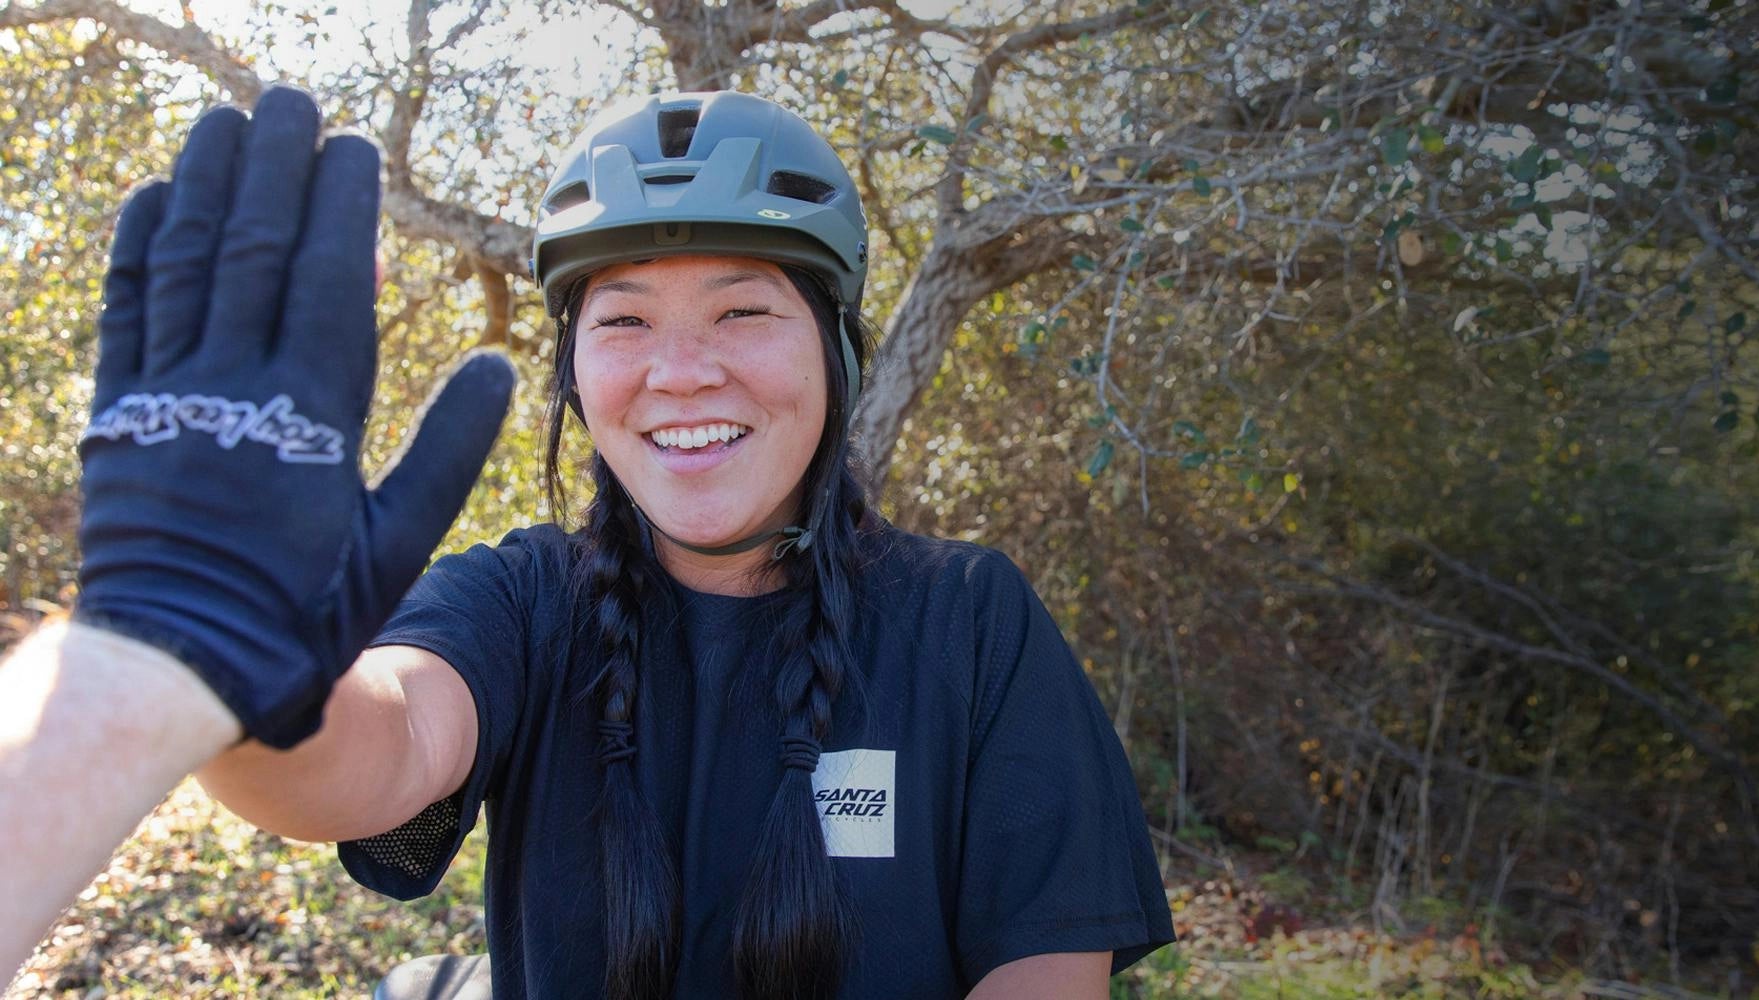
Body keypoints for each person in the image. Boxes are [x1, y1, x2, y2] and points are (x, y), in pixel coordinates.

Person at [1, 84, 1174, 999]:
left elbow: (1043, 966)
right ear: (573, 375)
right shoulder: (523, 600)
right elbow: (377, 749)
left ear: (837, 352)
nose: (679, 371)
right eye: (623, 320)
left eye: (742, 308)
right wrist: (214, 663)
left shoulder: (969, 617)